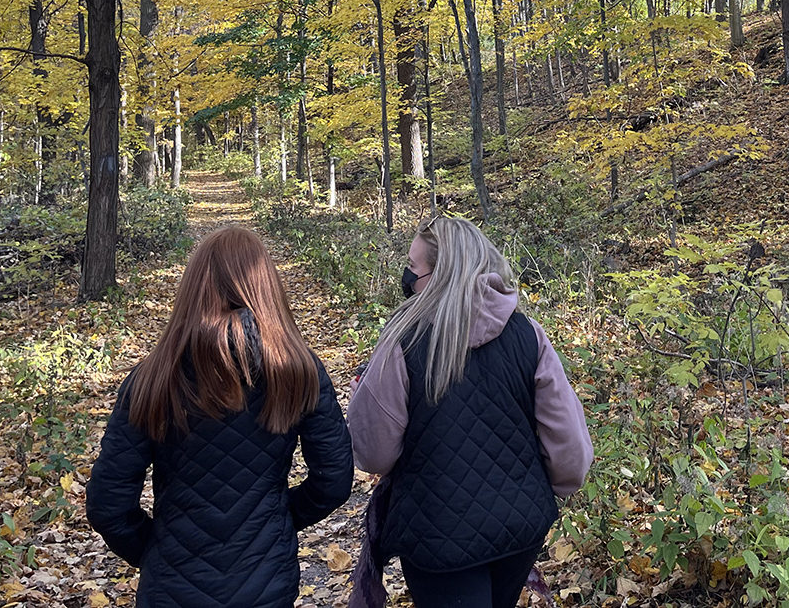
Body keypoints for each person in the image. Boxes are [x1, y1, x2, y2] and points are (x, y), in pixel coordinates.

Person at [87, 223, 354, 608]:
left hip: (171, 587)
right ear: (267, 288)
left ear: (194, 288)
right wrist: (275, 526)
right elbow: (334, 480)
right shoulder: (297, 369)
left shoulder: (154, 375)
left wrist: (156, 551)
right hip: (266, 585)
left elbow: (107, 503)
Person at [348, 215, 593, 608]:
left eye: (413, 267)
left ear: (439, 275)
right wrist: (538, 492)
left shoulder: (404, 341)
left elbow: (373, 452)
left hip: (435, 536)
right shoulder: (528, 335)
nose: (407, 277)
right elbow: (571, 452)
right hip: (520, 528)